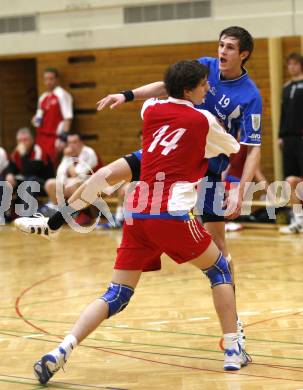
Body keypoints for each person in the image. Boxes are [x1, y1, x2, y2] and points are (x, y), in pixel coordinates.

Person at [16, 61, 250, 384]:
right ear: (189, 89)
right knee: (220, 268)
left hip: (137, 213)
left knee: (116, 294)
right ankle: (234, 350)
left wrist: (127, 95)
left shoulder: (152, 111)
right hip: (170, 214)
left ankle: (61, 349)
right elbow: (232, 149)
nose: (207, 89)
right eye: (203, 85)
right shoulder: (204, 119)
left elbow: (158, 93)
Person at [97, 26, 262, 349]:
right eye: (220, 45)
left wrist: (242, 189)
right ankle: (56, 220)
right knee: (108, 175)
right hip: (175, 161)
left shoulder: (250, 94)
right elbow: (166, 86)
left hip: (211, 172)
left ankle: (232, 324)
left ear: (243, 54)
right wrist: (127, 95)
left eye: (230, 47)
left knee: (221, 251)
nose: (222, 52)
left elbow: (252, 146)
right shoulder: (206, 67)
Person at [278, 52, 303, 234]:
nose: (292, 68)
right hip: (289, 138)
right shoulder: (286, 87)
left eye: (295, 64)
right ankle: (298, 220)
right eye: (290, 65)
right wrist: (281, 135)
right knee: (290, 179)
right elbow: (283, 113)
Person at [5, 127, 53, 218]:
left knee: (30, 181)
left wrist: (23, 155)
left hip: (43, 185)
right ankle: (4, 215)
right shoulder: (16, 153)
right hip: (26, 183)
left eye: (25, 140)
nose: (22, 143)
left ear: (32, 140)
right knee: (5, 181)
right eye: (20, 140)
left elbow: (30, 171)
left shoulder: (39, 151)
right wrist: (9, 174)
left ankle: (26, 216)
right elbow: (11, 166)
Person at [32, 67, 73, 163]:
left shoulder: (62, 95)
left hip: (55, 137)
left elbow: (68, 117)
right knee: (38, 163)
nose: (48, 82)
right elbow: (38, 119)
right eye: (46, 79)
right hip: (41, 137)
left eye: (51, 79)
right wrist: (35, 120)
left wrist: (63, 138)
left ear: (57, 80)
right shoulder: (42, 97)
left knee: (53, 164)